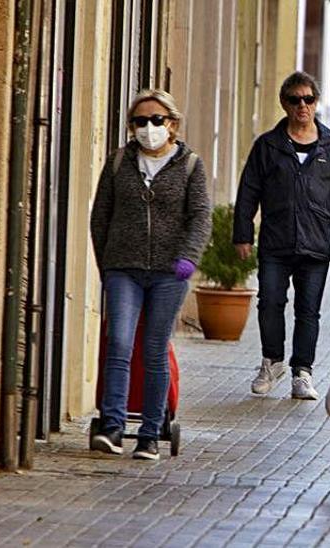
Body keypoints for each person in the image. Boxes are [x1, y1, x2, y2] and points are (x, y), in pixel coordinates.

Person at [90, 89, 212, 460]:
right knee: (120, 344)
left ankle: (148, 433)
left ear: (172, 124)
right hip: (123, 269)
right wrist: (107, 262)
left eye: (156, 120)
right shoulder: (118, 163)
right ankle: (111, 425)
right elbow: (101, 216)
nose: (148, 128)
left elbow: (201, 216)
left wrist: (188, 258)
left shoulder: (190, 165)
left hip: (168, 273)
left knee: (155, 350)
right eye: (140, 121)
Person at [234, 71, 330, 400]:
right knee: (270, 303)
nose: (302, 105)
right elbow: (249, 191)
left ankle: (302, 372)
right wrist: (243, 234)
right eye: (295, 100)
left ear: (316, 103)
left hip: (316, 244)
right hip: (276, 240)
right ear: (284, 104)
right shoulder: (268, 146)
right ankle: (272, 361)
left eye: (308, 99)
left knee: (309, 310)